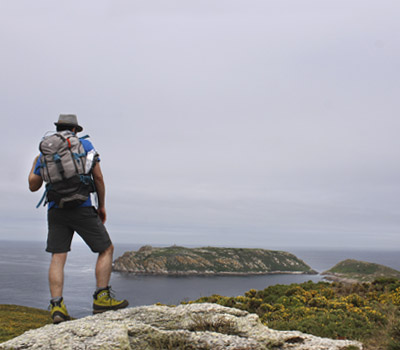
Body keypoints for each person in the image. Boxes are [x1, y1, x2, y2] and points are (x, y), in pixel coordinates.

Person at [28, 114, 128, 324]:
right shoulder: (85, 145)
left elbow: (33, 185)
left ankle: (57, 306)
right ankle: (101, 298)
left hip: (56, 210)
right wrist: (101, 206)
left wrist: (35, 163)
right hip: (82, 206)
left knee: (58, 255)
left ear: (58, 128)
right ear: (75, 130)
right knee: (106, 249)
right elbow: (98, 177)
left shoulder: (44, 151)